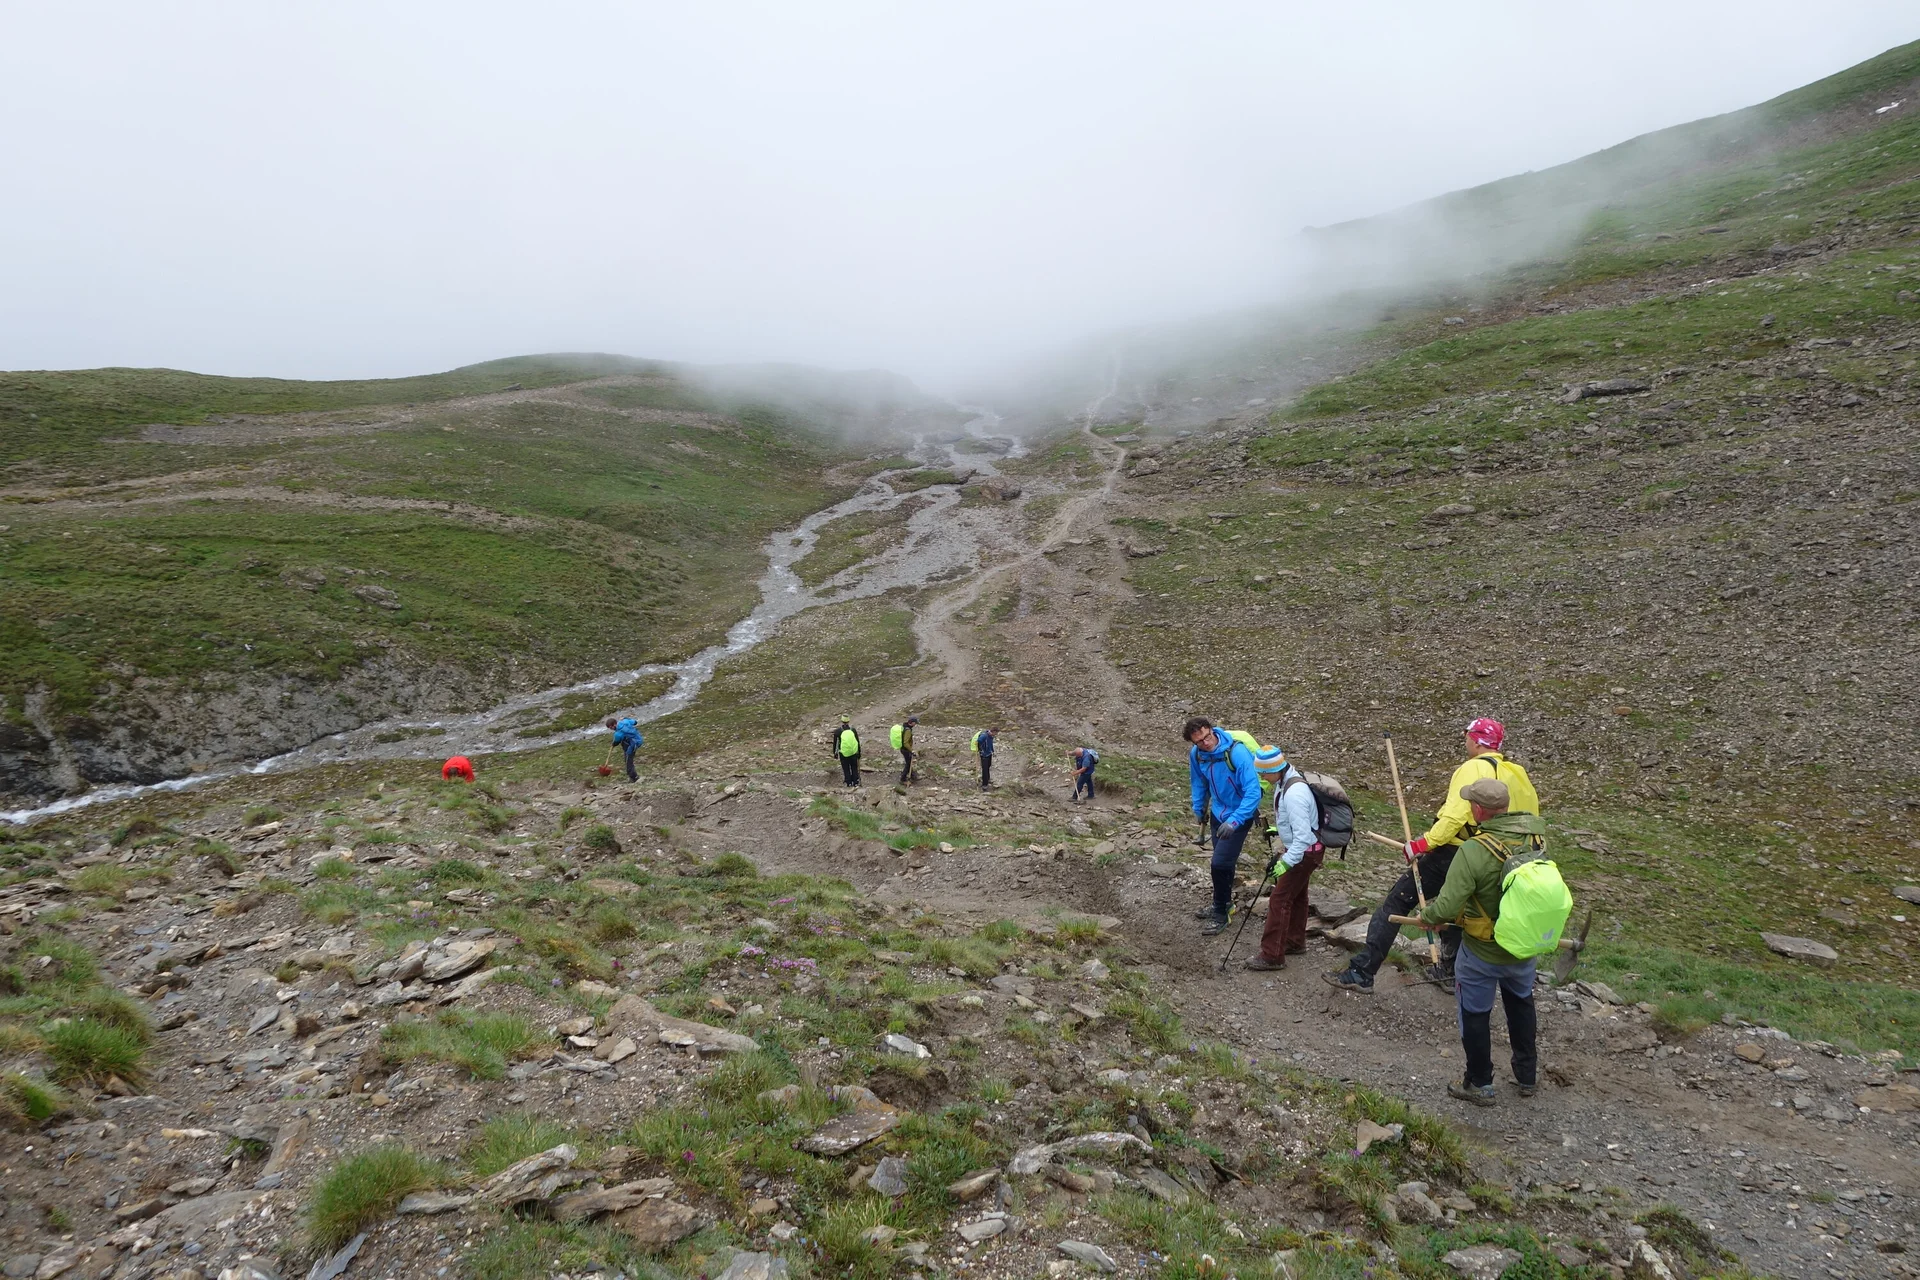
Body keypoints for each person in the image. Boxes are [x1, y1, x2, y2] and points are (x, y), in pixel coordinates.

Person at [1324, 717, 1540, 995]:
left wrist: (1422, 844)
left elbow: (1456, 815)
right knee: (1465, 911)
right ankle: (1450, 972)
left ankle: (1362, 972)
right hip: (1501, 854)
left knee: (1396, 904)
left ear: (1476, 740)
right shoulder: (1517, 773)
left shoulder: (1473, 767)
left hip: (1457, 851)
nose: (1465, 742)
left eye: (1467, 736)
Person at [1416, 777, 1546, 1106]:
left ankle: (1479, 1082)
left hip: (1482, 951)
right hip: (1524, 945)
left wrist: (1427, 917)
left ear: (1477, 810)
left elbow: (1447, 905)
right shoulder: (1535, 838)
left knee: (1474, 1012)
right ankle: (1527, 1076)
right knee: (1520, 1002)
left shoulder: (1474, 851)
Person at [1243, 747, 1323, 971]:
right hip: (1308, 851)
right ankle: (1294, 942)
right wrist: (1277, 830)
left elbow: (1304, 837)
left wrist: (1285, 863)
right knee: (1297, 897)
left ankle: (1272, 955)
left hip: (1304, 853)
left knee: (1279, 900)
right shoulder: (1285, 782)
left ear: (1275, 768)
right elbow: (1298, 824)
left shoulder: (1294, 794)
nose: (1261, 777)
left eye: (1263, 773)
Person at [1186, 717, 1262, 936]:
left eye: (1207, 737)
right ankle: (1225, 902)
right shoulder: (1197, 755)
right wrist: (1199, 808)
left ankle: (1220, 912)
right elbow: (1198, 782)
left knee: (1218, 863)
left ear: (1212, 730)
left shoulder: (1236, 752)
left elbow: (1253, 791)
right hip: (1218, 814)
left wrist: (1236, 821)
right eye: (1199, 741)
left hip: (1239, 815)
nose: (1205, 743)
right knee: (1224, 864)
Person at [605, 716, 644, 782]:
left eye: (611, 727)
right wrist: (626, 718)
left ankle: (634, 777)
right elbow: (635, 722)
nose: (611, 729)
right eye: (609, 728)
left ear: (614, 724)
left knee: (628, 760)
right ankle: (632, 776)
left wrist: (613, 744)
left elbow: (616, 742)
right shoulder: (625, 722)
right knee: (628, 758)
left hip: (632, 744)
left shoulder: (618, 734)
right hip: (638, 739)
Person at [832, 717, 861, 787]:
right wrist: (859, 752)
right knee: (854, 767)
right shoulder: (853, 730)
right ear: (848, 721)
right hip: (854, 752)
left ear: (842, 721)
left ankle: (848, 782)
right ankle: (855, 781)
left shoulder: (838, 731)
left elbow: (835, 743)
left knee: (846, 768)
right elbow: (857, 741)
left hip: (843, 753)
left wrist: (835, 753)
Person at [896, 716, 918, 784]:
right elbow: (905, 743)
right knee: (908, 764)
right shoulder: (908, 730)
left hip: (903, 749)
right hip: (905, 750)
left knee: (909, 762)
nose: (916, 724)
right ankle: (903, 779)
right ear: (912, 723)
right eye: (915, 723)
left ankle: (912, 775)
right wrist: (912, 750)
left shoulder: (905, 727)